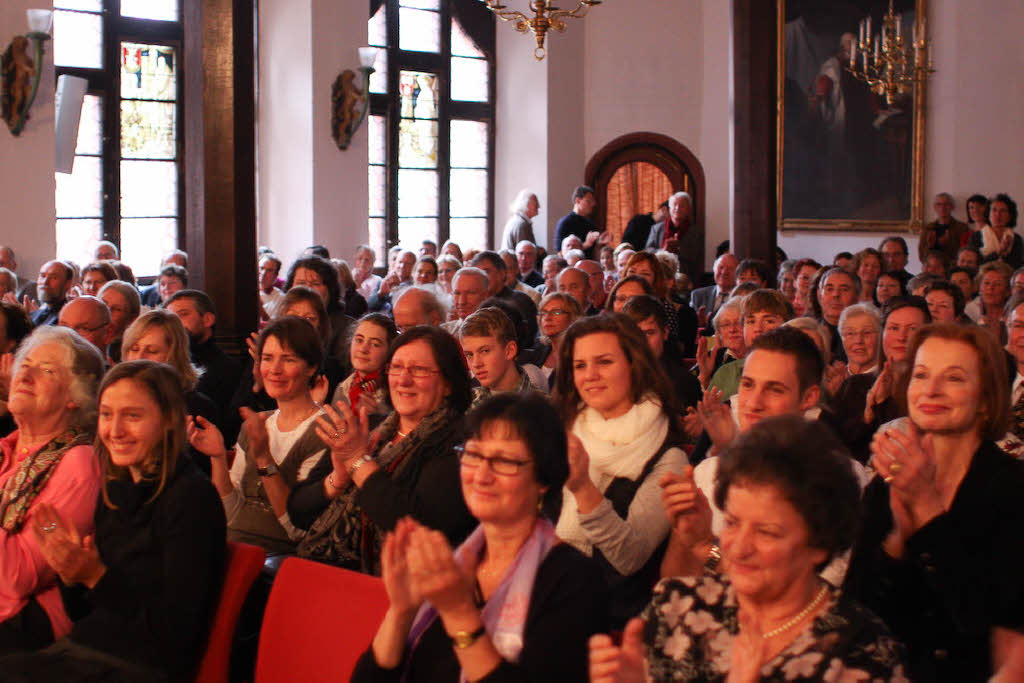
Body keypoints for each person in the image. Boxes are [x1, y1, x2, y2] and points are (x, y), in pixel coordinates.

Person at [591, 415, 907, 682]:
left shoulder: (861, 651)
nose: (738, 548)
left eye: (766, 532)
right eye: (731, 523)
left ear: (820, 543)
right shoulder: (676, 606)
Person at [352, 393, 606, 682]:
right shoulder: (454, 559)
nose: (481, 475)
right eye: (473, 455)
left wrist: (460, 614)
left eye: (504, 461)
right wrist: (401, 611)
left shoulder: (575, 581)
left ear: (544, 479)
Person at [0, 360, 226, 682]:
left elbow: (174, 635)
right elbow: (86, 614)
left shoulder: (191, 498)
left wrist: (95, 575)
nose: (115, 431)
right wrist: (71, 574)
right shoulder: (116, 490)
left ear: (168, 420)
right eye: (107, 414)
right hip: (87, 649)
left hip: (141, 666)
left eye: (132, 416)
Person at [844, 323, 1024, 681]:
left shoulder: (1013, 490)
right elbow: (856, 615)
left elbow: (983, 622)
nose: (932, 390)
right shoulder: (883, 488)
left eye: (954, 378)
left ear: (986, 398)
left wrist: (927, 514)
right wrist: (896, 538)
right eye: (922, 375)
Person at [289, 326, 476, 573]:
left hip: (397, 590)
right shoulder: (368, 428)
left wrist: (358, 462)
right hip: (321, 570)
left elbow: (417, 525)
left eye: (419, 370)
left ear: (449, 383)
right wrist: (338, 480)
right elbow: (297, 511)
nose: (403, 379)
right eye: (396, 367)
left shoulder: (461, 442)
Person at [552, 313, 686, 627]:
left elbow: (630, 557)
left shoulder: (670, 457)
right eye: (580, 365)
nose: (590, 375)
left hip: (611, 619)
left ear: (634, 365)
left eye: (605, 362)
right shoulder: (563, 427)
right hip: (550, 594)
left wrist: (583, 488)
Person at [0, 328, 104, 653]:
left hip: (26, 622)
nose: (26, 374)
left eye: (46, 371)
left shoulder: (79, 464)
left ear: (75, 396)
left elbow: (15, 578)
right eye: (25, 364)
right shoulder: (7, 450)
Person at [186, 317, 329, 554]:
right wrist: (218, 458)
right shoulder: (256, 423)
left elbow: (297, 530)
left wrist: (264, 459)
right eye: (267, 359)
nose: (274, 370)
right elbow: (231, 514)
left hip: (277, 560)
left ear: (311, 367)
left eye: (288, 359)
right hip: (231, 545)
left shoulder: (325, 431)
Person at [824, 296, 930, 464]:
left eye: (912, 329)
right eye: (894, 328)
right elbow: (826, 442)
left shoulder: (931, 391)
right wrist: (868, 415)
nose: (901, 337)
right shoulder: (855, 385)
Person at [120, 309, 223, 465]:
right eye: (134, 349)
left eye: (152, 351)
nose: (139, 358)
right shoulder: (116, 399)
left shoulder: (196, 408)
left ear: (174, 356)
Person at [165, 290, 243, 409]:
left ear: (207, 320)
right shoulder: (166, 363)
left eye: (182, 314)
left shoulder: (227, 370)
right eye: (171, 318)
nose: (175, 323)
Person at [622, 295, 702, 409]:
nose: (642, 341)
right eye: (635, 333)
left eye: (649, 333)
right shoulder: (612, 378)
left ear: (665, 333)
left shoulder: (684, 383)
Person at [459, 307, 545, 407]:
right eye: (469, 355)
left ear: (510, 351)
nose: (476, 364)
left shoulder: (542, 407)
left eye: (485, 351)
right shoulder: (464, 406)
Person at [330, 313, 397, 429]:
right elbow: (335, 435)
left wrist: (375, 419)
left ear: (389, 352)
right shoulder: (343, 388)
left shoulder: (394, 395)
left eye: (375, 344)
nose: (363, 349)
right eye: (359, 340)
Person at [285, 255, 354, 359]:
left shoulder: (347, 328)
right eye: (301, 283)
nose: (307, 289)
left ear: (330, 289)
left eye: (315, 284)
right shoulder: (283, 321)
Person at [521, 292, 583, 383]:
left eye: (556, 312)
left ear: (573, 318)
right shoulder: (538, 350)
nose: (547, 318)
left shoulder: (580, 354)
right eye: (544, 313)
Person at [645, 191, 702, 278]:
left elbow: (696, 255)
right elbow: (647, 250)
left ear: (688, 210)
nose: (677, 208)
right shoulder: (657, 229)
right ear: (669, 208)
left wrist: (678, 248)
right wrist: (663, 250)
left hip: (684, 277)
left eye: (682, 206)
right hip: (659, 273)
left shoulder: (695, 232)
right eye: (674, 205)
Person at [968, 193, 1022, 269]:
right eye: (994, 210)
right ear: (988, 214)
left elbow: (1018, 265)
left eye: (1003, 211)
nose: (998, 214)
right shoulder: (976, 237)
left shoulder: (1016, 238)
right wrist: (997, 253)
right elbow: (975, 264)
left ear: (1010, 216)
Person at [965, 260, 1011, 342]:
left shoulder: (1013, 322)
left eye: (997, 284)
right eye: (986, 283)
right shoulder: (969, 318)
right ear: (980, 288)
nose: (990, 288)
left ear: (1008, 291)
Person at [555, 185, 604, 260]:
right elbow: (560, 253)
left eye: (593, 201)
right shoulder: (565, 223)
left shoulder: (591, 225)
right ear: (577, 200)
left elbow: (593, 253)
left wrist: (600, 243)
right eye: (589, 201)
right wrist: (586, 244)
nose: (593, 204)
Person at [919, 192, 970, 263]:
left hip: (952, 270)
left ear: (952, 207)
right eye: (939, 204)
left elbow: (966, 254)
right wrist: (934, 245)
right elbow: (922, 256)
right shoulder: (928, 228)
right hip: (931, 270)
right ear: (935, 207)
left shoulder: (961, 228)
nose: (942, 207)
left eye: (946, 204)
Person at [97, 280, 140, 363]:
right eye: (103, 304)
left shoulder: (129, 354)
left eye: (117, 309)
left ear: (132, 319)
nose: (107, 311)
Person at [690, 253, 738, 322]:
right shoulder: (698, 295)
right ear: (714, 270)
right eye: (721, 267)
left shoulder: (742, 296)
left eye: (730, 269)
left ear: (738, 273)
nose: (724, 272)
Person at [838, 302, 882, 376]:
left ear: (881, 336)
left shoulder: (890, 380)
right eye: (850, 333)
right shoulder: (832, 381)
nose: (858, 341)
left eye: (867, 333)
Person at [30, 261, 74, 327]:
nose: (45, 282)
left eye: (54, 278)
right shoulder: (32, 315)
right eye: (43, 276)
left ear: (68, 284)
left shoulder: (69, 318)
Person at [258, 253, 286, 320]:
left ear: (276, 276)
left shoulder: (281, 299)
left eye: (269, 270)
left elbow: (274, 326)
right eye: (261, 268)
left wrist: (261, 310)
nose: (263, 273)